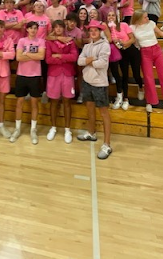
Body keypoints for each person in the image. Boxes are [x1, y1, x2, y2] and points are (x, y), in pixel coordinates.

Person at [77, 20, 112, 160]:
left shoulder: (105, 45)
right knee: (89, 108)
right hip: (87, 82)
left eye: (95, 30)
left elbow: (102, 63)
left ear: (100, 31)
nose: (93, 33)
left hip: (99, 83)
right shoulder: (86, 46)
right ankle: (91, 133)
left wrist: (88, 61)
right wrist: (90, 61)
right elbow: (79, 61)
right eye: (90, 31)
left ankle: (107, 144)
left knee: (103, 113)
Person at [131, 10, 163, 114]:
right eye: (145, 17)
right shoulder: (132, 28)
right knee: (148, 78)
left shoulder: (151, 23)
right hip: (144, 52)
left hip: (156, 49)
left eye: (147, 16)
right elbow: (132, 40)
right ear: (138, 19)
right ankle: (150, 102)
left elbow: (160, 33)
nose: (147, 18)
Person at [10, 22, 46, 145]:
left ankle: (33, 129)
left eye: (35, 28)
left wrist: (26, 54)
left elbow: (41, 56)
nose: (33, 30)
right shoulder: (21, 41)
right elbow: (18, 58)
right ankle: (17, 128)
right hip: (21, 75)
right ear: (27, 29)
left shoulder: (41, 41)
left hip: (35, 76)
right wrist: (32, 56)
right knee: (19, 102)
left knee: (34, 103)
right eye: (31, 28)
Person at [46, 20, 79, 143]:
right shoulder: (49, 42)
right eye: (56, 27)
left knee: (67, 102)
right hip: (53, 74)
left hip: (68, 74)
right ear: (53, 29)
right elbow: (48, 59)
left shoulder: (70, 41)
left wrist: (59, 56)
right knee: (53, 102)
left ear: (64, 29)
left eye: (60, 27)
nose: (58, 29)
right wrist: (65, 58)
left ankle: (67, 129)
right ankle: (53, 127)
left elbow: (74, 57)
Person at [106, 10, 143, 110]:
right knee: (124, 75)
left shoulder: (123, 25)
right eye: (109, 15)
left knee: (136, 75)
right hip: (122, 54)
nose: (111, 17)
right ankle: (126, 99)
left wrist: (126, 43)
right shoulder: (107, 29)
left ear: (117, 17)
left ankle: (140, 87)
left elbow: (132, 38)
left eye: (113, 15)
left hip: (132, 51)